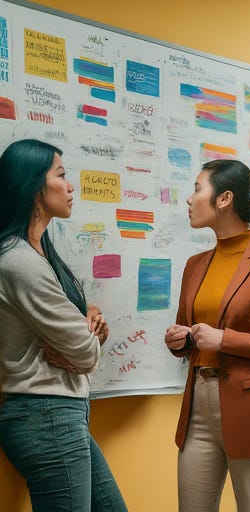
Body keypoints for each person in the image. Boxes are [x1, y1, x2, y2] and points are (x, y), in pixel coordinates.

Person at [164, 159, 250, 512]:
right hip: (198, 405)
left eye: (198, 189)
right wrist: (179, 340)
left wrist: (223, 339)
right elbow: (192, 334)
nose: (190, 199)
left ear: (224, 199)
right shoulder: (195, 265)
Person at [0, 139, 127, 512]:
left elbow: (85, 334)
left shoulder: (41, 254)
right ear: (33, 186)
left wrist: (87, 329)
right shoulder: (19, 262)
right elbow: (87, 353)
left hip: (60, 414)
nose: (71, 186)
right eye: (61, 175)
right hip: (45, 416)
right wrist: (85, 340)